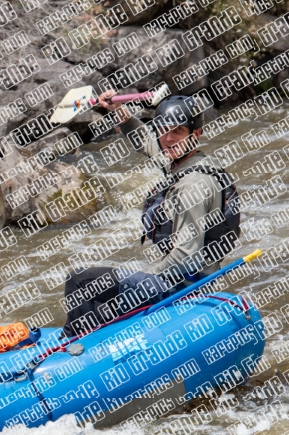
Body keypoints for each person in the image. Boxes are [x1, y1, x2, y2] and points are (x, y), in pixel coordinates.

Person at [62, 91, 241, 337]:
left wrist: (152, 272)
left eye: (177, 131)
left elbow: (187, 257)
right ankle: (93, 337)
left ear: (195, 134)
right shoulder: (183, 159)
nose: (168, 138)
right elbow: (146, 141)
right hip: (189, 280)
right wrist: (117, 111)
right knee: (100, 304)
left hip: (182, 286)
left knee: (80, 280)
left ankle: (72, 350)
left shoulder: (193, 185)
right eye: (163, 129)